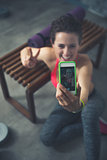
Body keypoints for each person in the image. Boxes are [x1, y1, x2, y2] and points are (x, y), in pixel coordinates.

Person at [20, 15, 105, 160]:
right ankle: (93, 125)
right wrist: (25, 57)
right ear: (53, 43)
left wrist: (78, 105)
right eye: (61, 46)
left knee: (87, 114)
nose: (66, 53)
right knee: (47, 138)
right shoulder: (48, 54)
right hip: (65, 101)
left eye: (72, 46)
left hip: (89, 100)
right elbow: (27, 50)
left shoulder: (84, 63)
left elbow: (83, 90)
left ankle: (90, 121)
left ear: (79, 44)